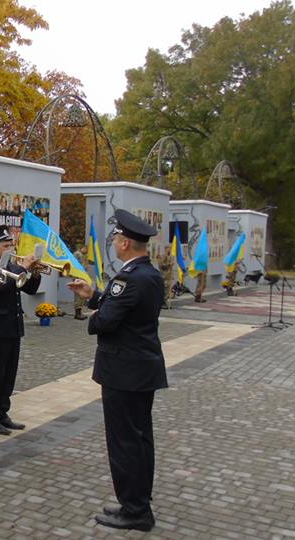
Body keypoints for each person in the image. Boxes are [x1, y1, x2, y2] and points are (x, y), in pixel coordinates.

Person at [68, 209, 167, 532]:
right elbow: (124, 309)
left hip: (124, 371)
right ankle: (139, 500)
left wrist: (94, 312)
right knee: (140, 438)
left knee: (125, 441)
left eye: (115, 239)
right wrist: (94, 295)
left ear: (124, 243)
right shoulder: (149, 274)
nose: (113, 243)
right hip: (141, 368)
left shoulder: (127, 278)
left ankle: (135, 510)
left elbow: (106, 321)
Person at [0, 226, 41, 436]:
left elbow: (30, 289)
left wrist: (33, 271)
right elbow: (0, 288)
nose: (10, 249)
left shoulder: (13, 267)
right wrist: (23, 267)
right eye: (6, 246)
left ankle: (3, 412)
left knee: (9, 374)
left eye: (10, 245)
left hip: (14, 326)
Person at [74, 245, 89, 319]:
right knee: (78, 295)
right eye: (85, 248)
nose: (86, 250)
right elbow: (75, 265)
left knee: (82, 296)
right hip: (78, 277)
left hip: (83, 276)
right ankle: (77, 313)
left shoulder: (84, 255)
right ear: (81, 248)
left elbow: (85, 266)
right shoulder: (77, 254)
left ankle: (80, 312)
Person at [158, 245, 174, 309]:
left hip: (168, 276)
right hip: (164, 276)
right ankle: (163, 303)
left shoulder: (170, 256)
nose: (169, 250)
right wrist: (169, 264)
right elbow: (162, 265)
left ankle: (166, 302)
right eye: (168, 248)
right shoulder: (162, 256)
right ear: (165, 249)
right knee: (164, 290)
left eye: (170, 248)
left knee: (168, 290)